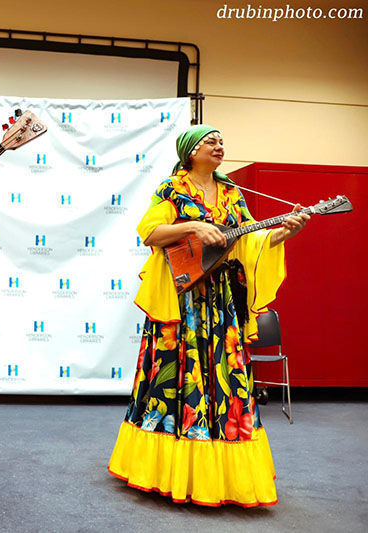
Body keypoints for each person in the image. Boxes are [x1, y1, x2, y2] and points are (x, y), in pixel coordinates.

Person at [107, 124, 308, 507]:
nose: (219, 146)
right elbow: (150, 233)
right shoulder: (172, 189)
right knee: (173, 378)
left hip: (221, 302)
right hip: (180, 302)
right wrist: (197, 224)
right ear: (189, 151)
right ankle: (165, 470)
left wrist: (285, 232)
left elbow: (249, 240)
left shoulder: (233, 193)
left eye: (221, 141)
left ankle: (222, 475)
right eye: (209, 141)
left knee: (227, 379)